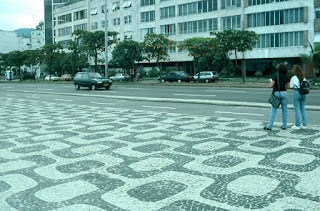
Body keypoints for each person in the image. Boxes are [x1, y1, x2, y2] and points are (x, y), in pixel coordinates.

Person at [264, 63, 290, 130]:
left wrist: (271, 82)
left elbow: (271, 86)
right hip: (284, 93)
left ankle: (269, 126)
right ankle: (284, 125)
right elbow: (288, 86)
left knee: (273, 110)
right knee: (284, 110)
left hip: (276, 93)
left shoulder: (276, 76)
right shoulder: (287, 76)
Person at [290, 65, 307, 129]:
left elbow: (291, 86)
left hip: (297, 92)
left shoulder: (294, 77)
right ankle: (304, 124)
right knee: (303, 109)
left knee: (296, 109)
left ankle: (297, 124)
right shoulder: (303, 77)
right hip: (303, 93)